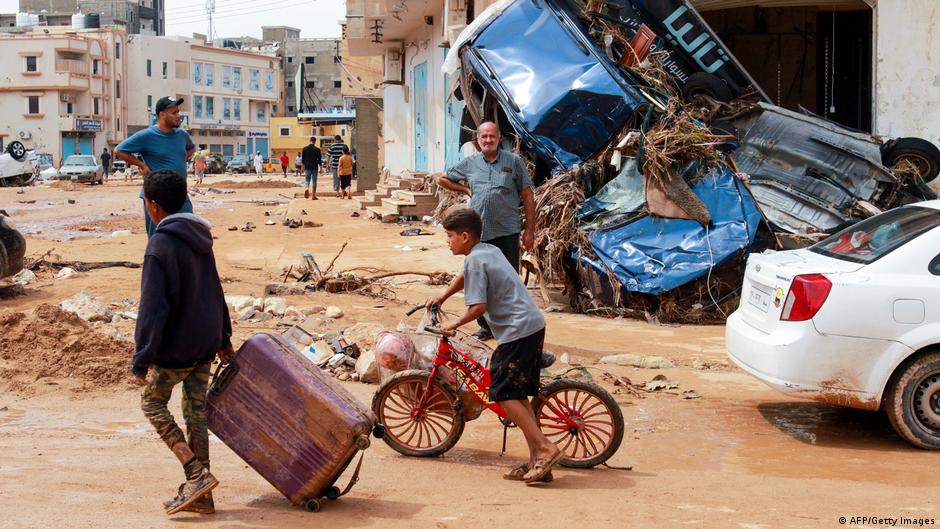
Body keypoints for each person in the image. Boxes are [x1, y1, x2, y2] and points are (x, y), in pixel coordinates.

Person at [429, 208, 560, 484]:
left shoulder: (476, 261)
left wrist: (452, 326)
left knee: (500, 393)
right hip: (530, 324)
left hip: (518, 330)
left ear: (465, 237)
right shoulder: (486, 251)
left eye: (450, 236)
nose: (447, 241)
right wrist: (442, 297)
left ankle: (546, 448)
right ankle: (537, 458)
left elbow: (478, 308)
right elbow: (465, 276)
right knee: (517, 394)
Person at [133, 169, 233, 515]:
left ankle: (195, 472)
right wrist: (224, 337)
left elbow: (152, 309)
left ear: (153, 206)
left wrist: (142, 357)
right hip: (205, 341)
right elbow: (215, 288)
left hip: (176, 348)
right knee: (195, 413)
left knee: (152, 404)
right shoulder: (200, 237)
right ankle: (202, 495)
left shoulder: (158, 246)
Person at [435, 121, 536, 341]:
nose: (488, 140)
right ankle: (486, 326)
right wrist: (465, 189)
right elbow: (441, 178)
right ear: (477, 140)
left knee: (507, 281)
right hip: (478, 235)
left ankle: (512, 325)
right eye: (484, 137)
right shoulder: (470, 163)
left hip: (506, 231)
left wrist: (529, 230)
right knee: (478, 280)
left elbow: (528, 196)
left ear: (499, 138)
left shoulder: (514, 162)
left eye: (492, 136)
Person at [114, 96, 195, 238]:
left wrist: (180, 159)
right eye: (174, 113)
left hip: (180, 194)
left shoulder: (182, 135)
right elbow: (119, 150)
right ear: (162, 115)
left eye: (178, 112)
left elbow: (191, 148)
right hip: (157, 197)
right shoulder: (147, 135)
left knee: (188, 235)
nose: (179, 116)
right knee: (159, 237)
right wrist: (142, 165)